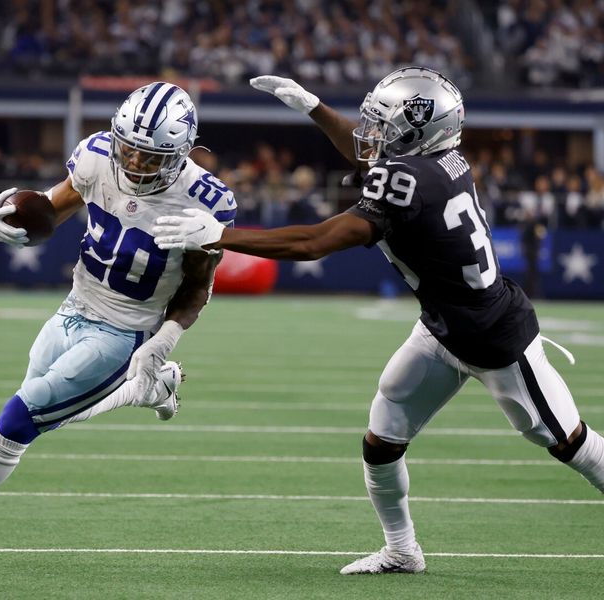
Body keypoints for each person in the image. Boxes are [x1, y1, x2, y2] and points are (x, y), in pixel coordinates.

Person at [152, 68, 604, 574]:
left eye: (383, 124)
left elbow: (315, 242)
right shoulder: (440, 161)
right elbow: (374, 155)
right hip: (443, 325)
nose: (372, 133)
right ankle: (402, 550)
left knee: (571, 444)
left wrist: (222, 235)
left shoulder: (409, 178)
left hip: (496, 339)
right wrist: (314, 108)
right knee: (382, 435)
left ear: (415, 133)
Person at [0, 82, 236, 569]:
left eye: (150, 157)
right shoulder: (98, 155)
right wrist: (5, 223)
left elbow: (196, 287)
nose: (134, 164)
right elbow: (54, 208)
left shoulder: (205, 200)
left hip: (126, 331)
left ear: (181, 153)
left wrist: (163, 341)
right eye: (129, 149)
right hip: (74, 305)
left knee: (16, 424)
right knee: (39, 408)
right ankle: (146, 390)